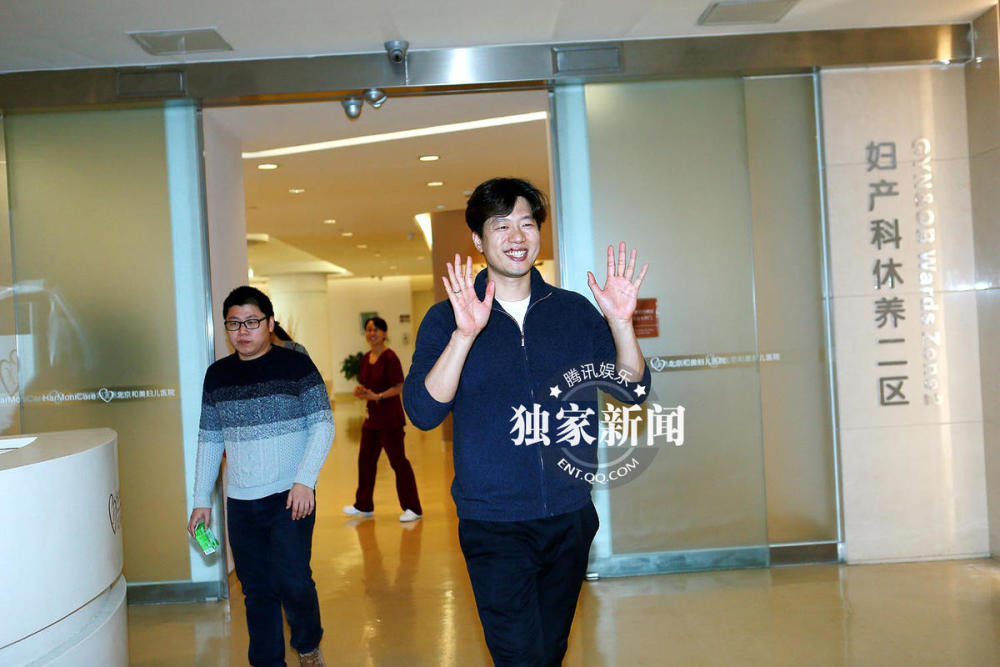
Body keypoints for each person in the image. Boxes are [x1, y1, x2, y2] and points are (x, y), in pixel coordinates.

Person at [403, 177, 651, 666]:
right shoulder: (445, 318)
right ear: (478, 240)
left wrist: (621, 325)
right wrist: (464, 336)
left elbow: (632, 390)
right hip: (493, 522)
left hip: (569, 516)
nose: (517, 236)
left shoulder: (573, 312)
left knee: (550, 651)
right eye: (501, 225)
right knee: (519, 656)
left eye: (527, 223)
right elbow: (424, 412)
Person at [188, 286, 333, 667]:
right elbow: (210, 438)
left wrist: (305, 480)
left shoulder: (296, 366)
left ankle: (307, 644)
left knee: (293, 581)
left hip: (290, 496)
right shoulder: (218, 376)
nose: (242, 331)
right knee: (256, 590)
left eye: (252, 322)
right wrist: (201, 499)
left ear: (270, 324)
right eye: (234, 323)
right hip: (241, 502)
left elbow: (323, 424)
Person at [344, 316, 423, 522]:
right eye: (369, 330)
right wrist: (361, 391)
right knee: (365, 461)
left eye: (376, 330)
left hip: (390, 419)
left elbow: (399, 387)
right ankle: (363, 505)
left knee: (398, 462)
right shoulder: (365, 358)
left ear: (384, 333)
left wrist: (378, 396)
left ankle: (413, 507)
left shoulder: (390, 357)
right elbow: (367, 385)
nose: (372, 333)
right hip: (372, 419)